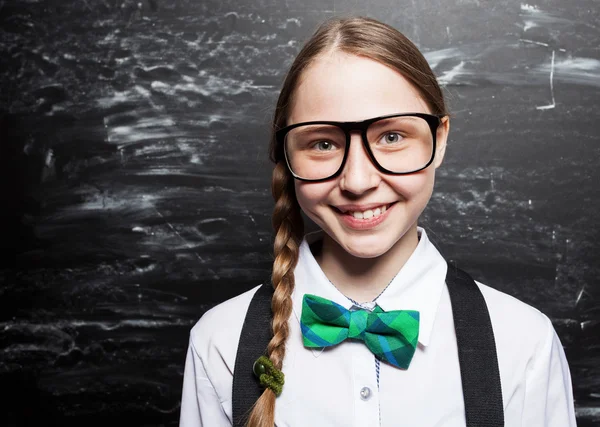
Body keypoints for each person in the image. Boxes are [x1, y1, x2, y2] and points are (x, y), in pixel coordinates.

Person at [179, 16, 577, 427]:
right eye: (323, 143)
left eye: (391, 137)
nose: (357, 181)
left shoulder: (524, 345)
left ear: (439, 139)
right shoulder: (219, 345)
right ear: (285, 155)